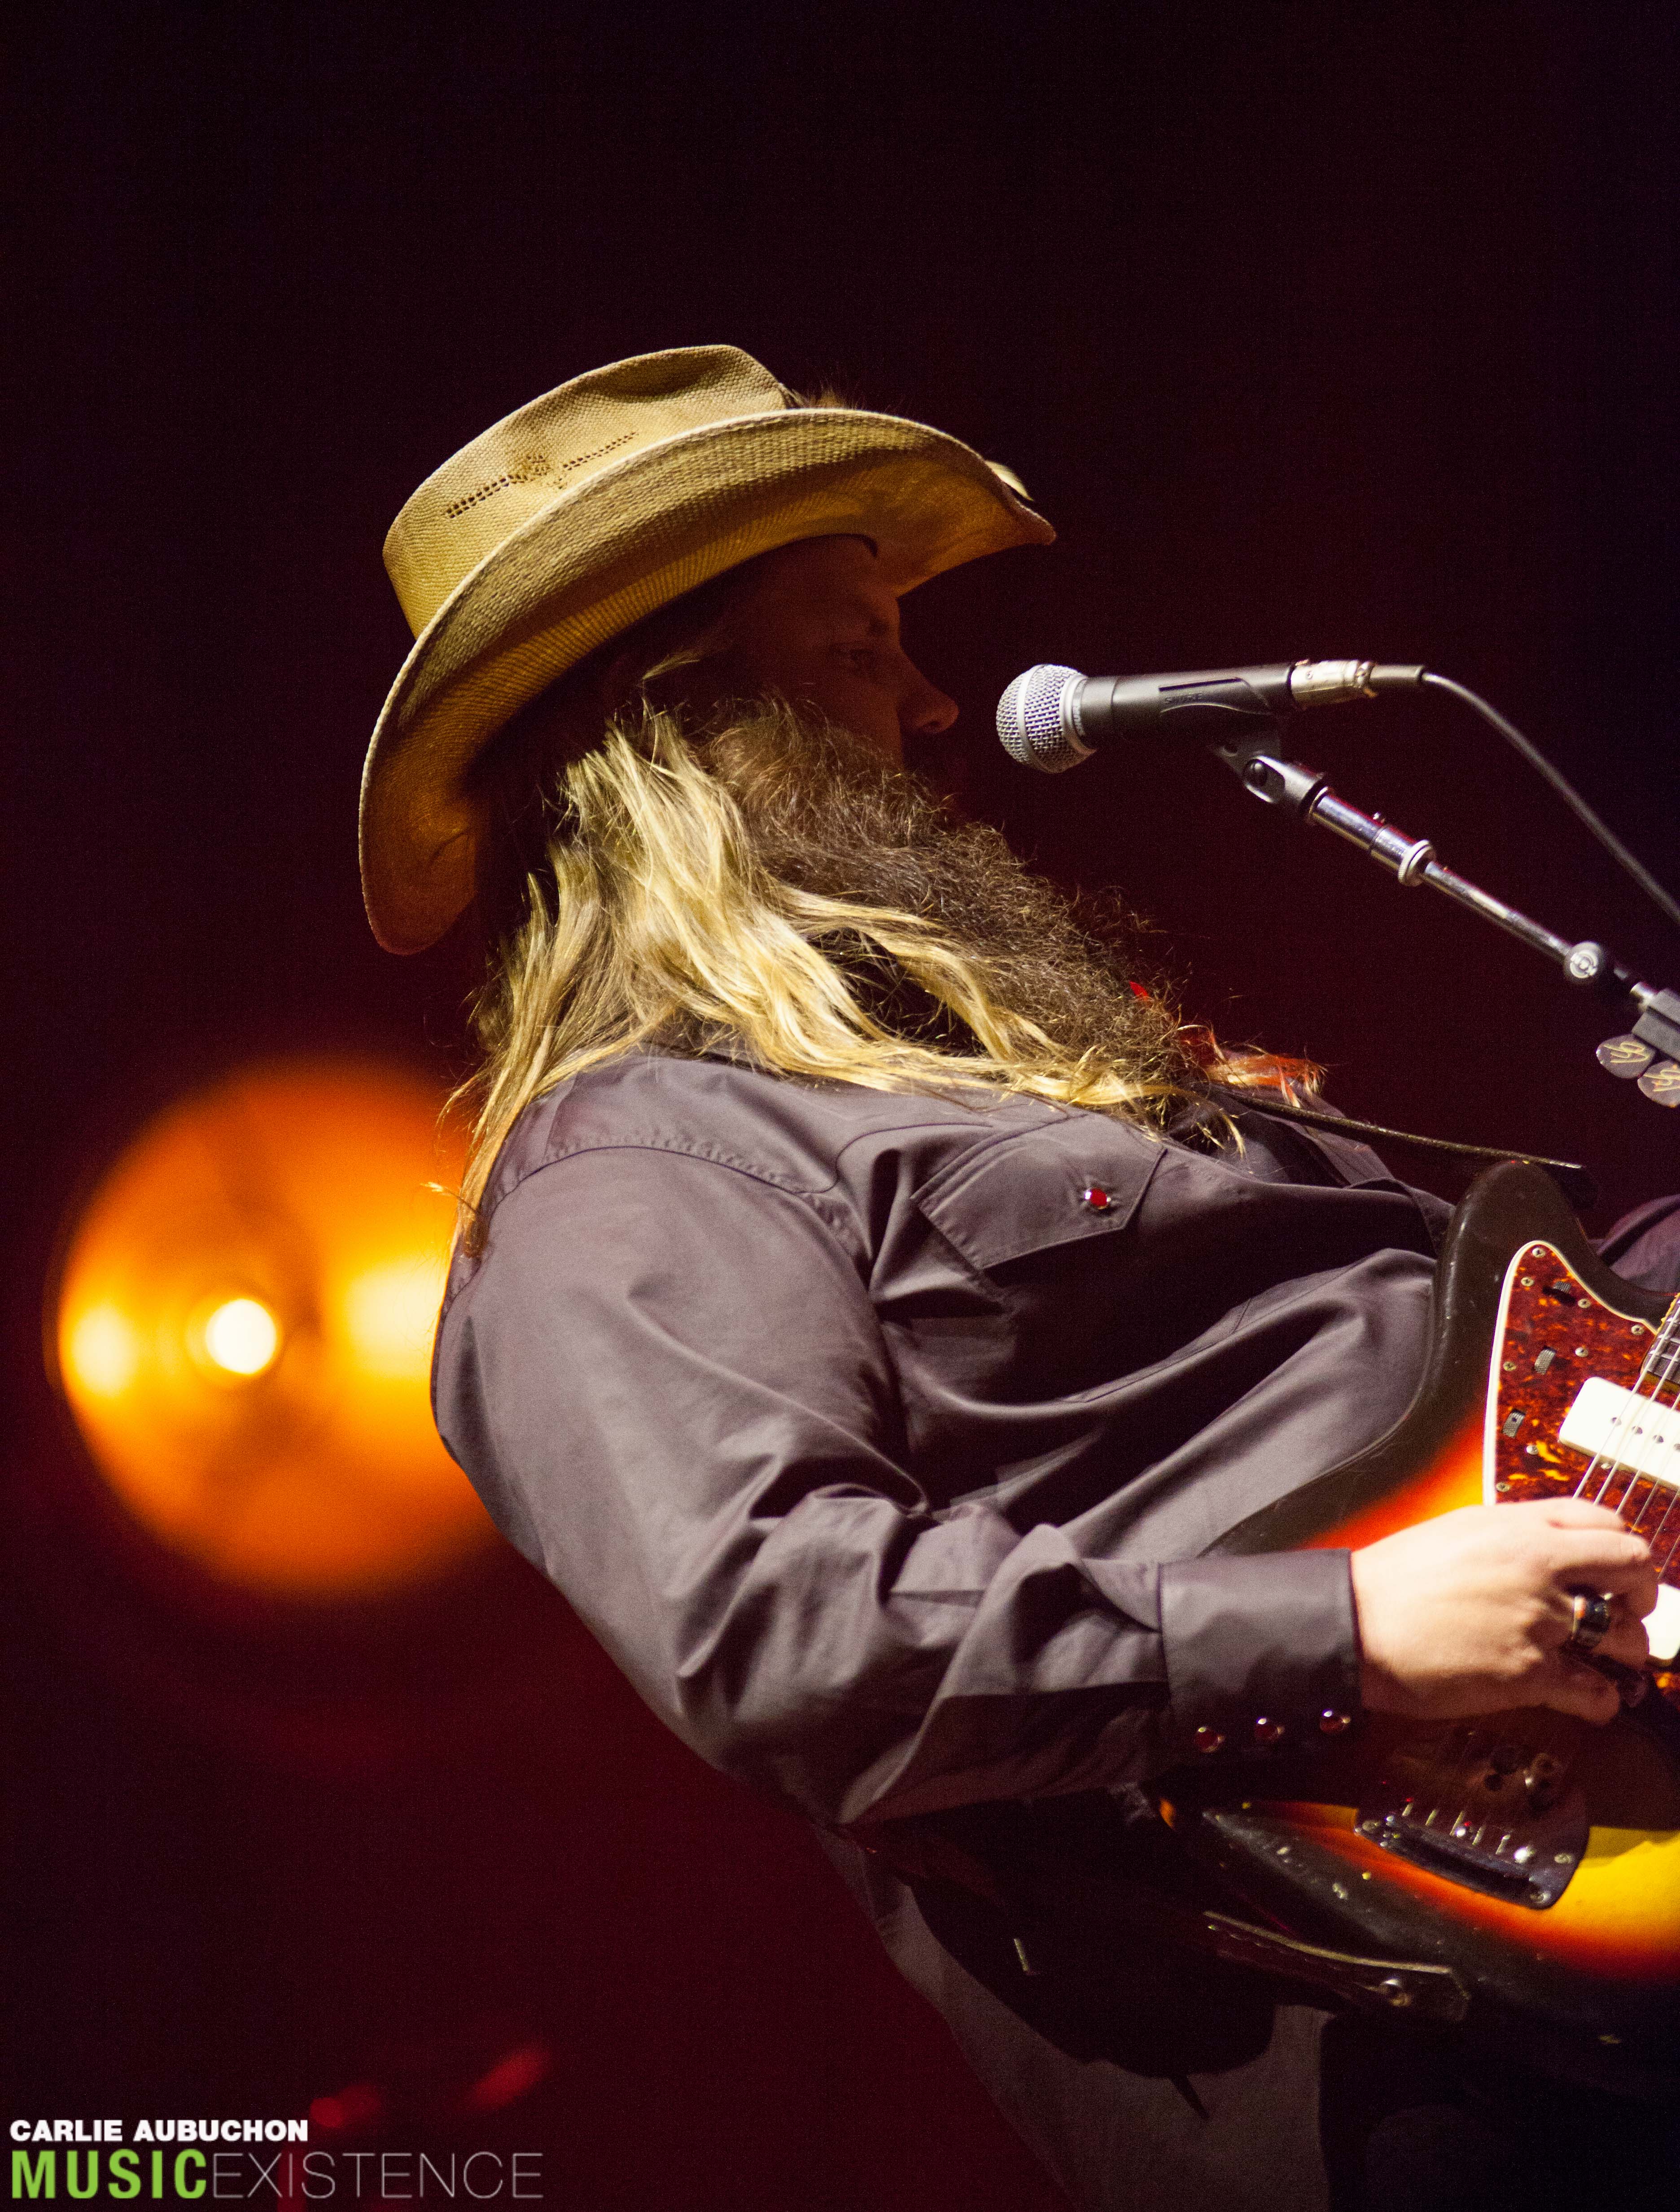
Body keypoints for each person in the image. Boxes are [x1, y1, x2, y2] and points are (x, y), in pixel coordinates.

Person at [360, 346, 1680, 2209]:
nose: (935, 702)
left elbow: (1524, 1312)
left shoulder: (1054, 1077)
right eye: (854, 647)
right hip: (1411, 2037)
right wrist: (1349, 1624)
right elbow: (778, 1633)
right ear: (680, 730)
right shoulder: (636, 1168)